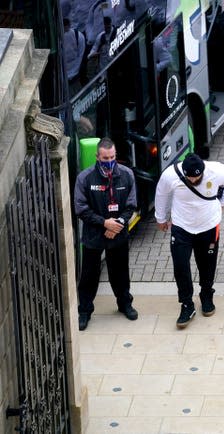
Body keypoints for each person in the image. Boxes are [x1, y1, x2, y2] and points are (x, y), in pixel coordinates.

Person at [155, 153, 224, 328]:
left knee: (207, 264)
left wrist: (223, 201)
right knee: (180, 266)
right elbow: (161, 194)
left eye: (197, 177)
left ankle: (207, 294)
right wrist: (161, 218)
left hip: (208, 226)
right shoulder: (170, 175)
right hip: (181, 227)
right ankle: (186, 304)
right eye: (190, 177)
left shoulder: (217, 171)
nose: (193, 180)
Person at [74, 137, 138, 331]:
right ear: (97, 156)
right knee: (89, 275)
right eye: (105, 157)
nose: (109, 161)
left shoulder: (126, 175)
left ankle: (124, 303)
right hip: (94, 235)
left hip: (118, 234)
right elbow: (81, 208)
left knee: (120, 273)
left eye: (112, 157)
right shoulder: (85, 178)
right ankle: (84, 311)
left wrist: (116, 225)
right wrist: (104, 224)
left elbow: (131, 205)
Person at [63, 17, 86, 94]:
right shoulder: (57, 39)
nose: (66, 29)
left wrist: (76, 70)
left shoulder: (78, 36)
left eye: (66, 26)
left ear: (69, 25)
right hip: (64, 79)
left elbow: (81, 55)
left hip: (76, 76)